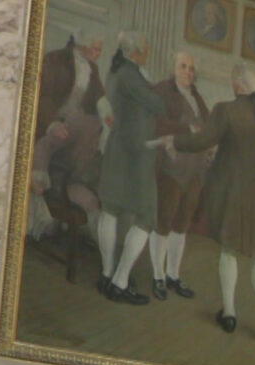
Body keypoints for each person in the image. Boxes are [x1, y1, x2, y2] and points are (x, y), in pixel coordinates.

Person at [164, 63, 255, 346]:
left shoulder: (225, 110)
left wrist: (175, 141)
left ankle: (229, 314)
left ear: (237, 86)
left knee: (229, 250)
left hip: (227, 193)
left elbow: (204, 140)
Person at [97, 30, 164, 305]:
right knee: (147, 216)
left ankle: (107, 273)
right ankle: (120, 282)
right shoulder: (131, 75)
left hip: (117, 150)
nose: (148, 52)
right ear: (136, 52)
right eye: (146, 48)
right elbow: (157, 104)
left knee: (110, 210)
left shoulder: (117, 71)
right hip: (134, 155)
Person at [149, 51, 209, 301]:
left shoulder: (196, 96)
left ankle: (173, 274)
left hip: (194, 170)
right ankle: (158, 275)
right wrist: (187, 129)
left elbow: (207, 126)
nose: (188, 72)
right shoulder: (162, 90)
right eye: (183, 67)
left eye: (191, 68)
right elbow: (156, 123)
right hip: (171, 167)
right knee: (164, 221)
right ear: (173, 69)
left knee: (182, 224)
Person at [35, 31, 104, 143]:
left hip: (74, 127)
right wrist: (52, 124)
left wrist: (106, 113)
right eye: (96, 49)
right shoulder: (56, 59)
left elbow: (99, 96)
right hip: (49, 124)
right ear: (82, 46)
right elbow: (43, 95)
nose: (98, 54)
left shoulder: (92, 69)